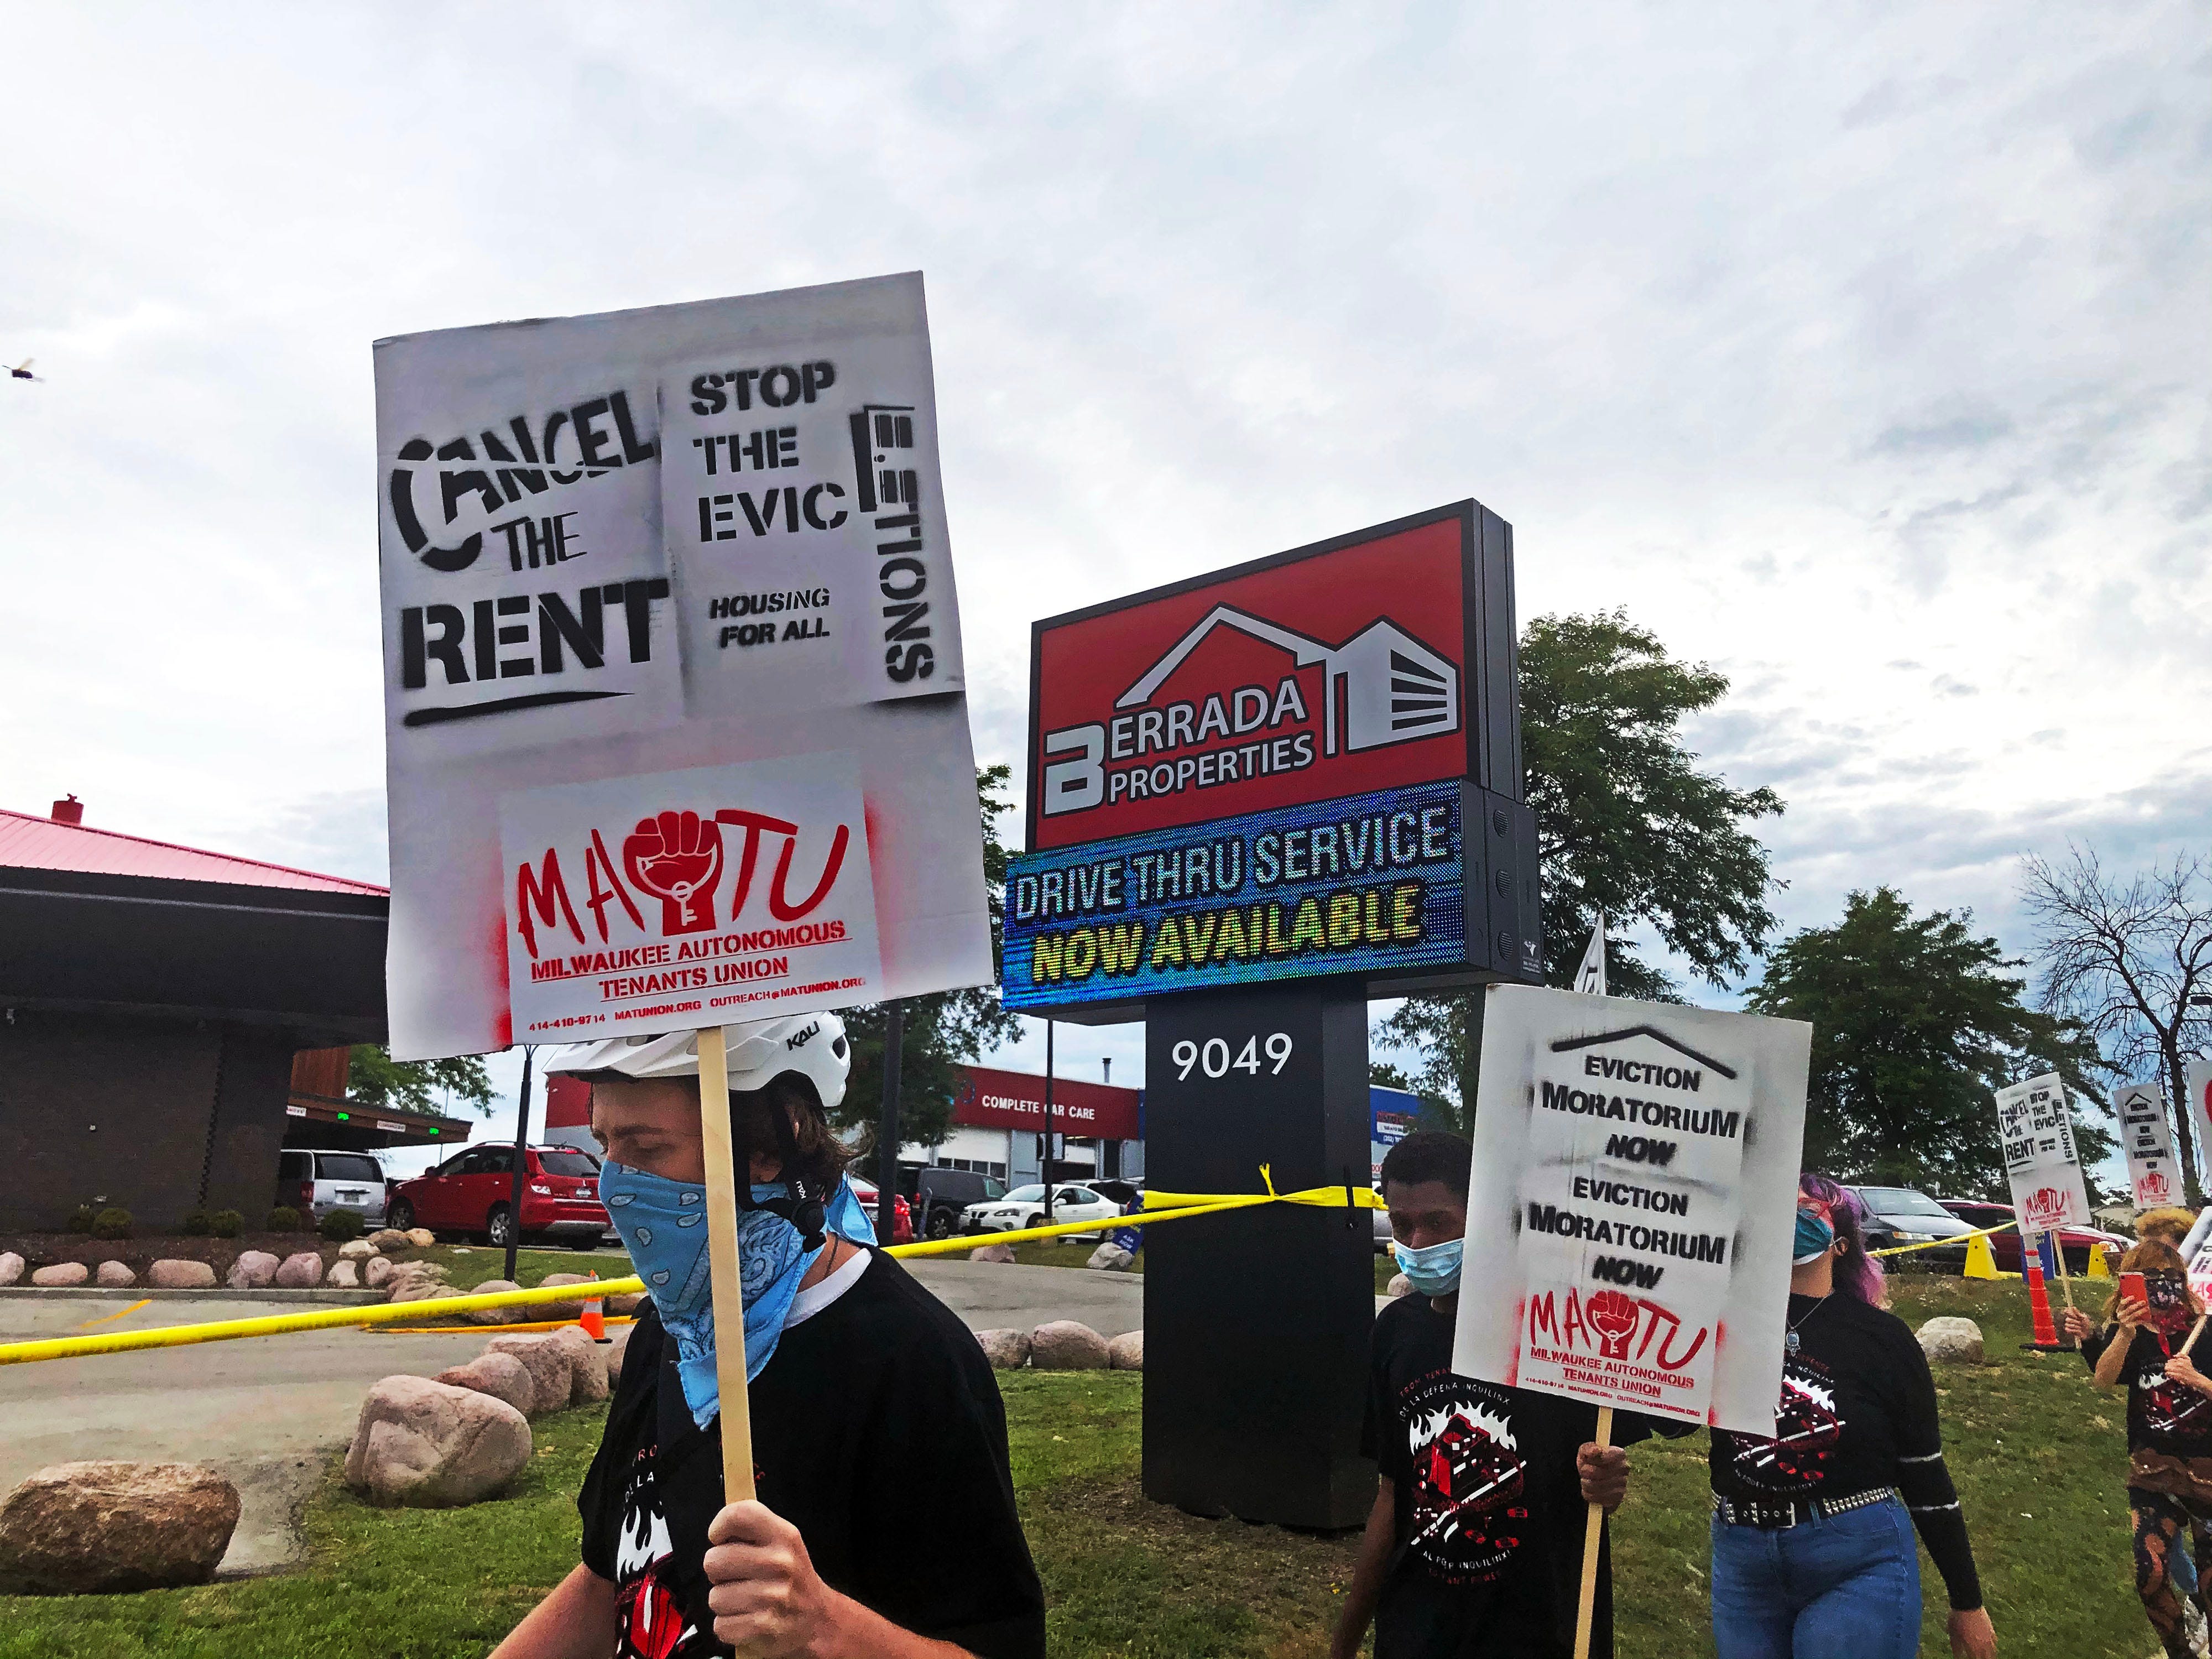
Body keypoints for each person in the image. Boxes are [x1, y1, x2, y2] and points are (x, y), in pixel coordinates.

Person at [492, 1015, 1046, 1659]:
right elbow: (605, 1578)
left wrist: (822, 1627)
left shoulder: (911, 1358)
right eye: (604, 1144)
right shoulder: (671, 1331)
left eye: (645, 1150)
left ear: (767, 1151)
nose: (613, 1181)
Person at [1331, 1129, 1674, 1659]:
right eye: (1402, 1225)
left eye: (1438, 1222)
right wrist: (1345, 1642)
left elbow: (1625, 1447)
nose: (1417, 1244)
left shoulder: (1563, 1330)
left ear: (1484, 1213)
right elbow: (1392, 1492)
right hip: (1419, 1628)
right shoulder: (1396, 1332)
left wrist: (1606, 1477)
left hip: (1540, 1629)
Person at [1708, 1175, 1996, 1659]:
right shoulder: (1721, 1325)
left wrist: (1967, 1601)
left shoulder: (1882, 1339)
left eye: (1808, 1210)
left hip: (1857, 1561)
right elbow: (1672, 1419)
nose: (1790, 1215)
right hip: (1742, 1565)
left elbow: (1925, 1474)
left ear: (1840, 1244)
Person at [2063, 1238, 2212, 1659]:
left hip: (2208, 1471)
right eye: (2148, 1281)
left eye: (2169, 1281)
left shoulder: (2207, 1328)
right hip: (2153, 1471)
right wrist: (2124, 1333)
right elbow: (2104, 1379)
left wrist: (2199, 1380)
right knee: (2149, 1574)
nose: (2160, 1291)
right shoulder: (2130, 1330)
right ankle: (2179, 1652)